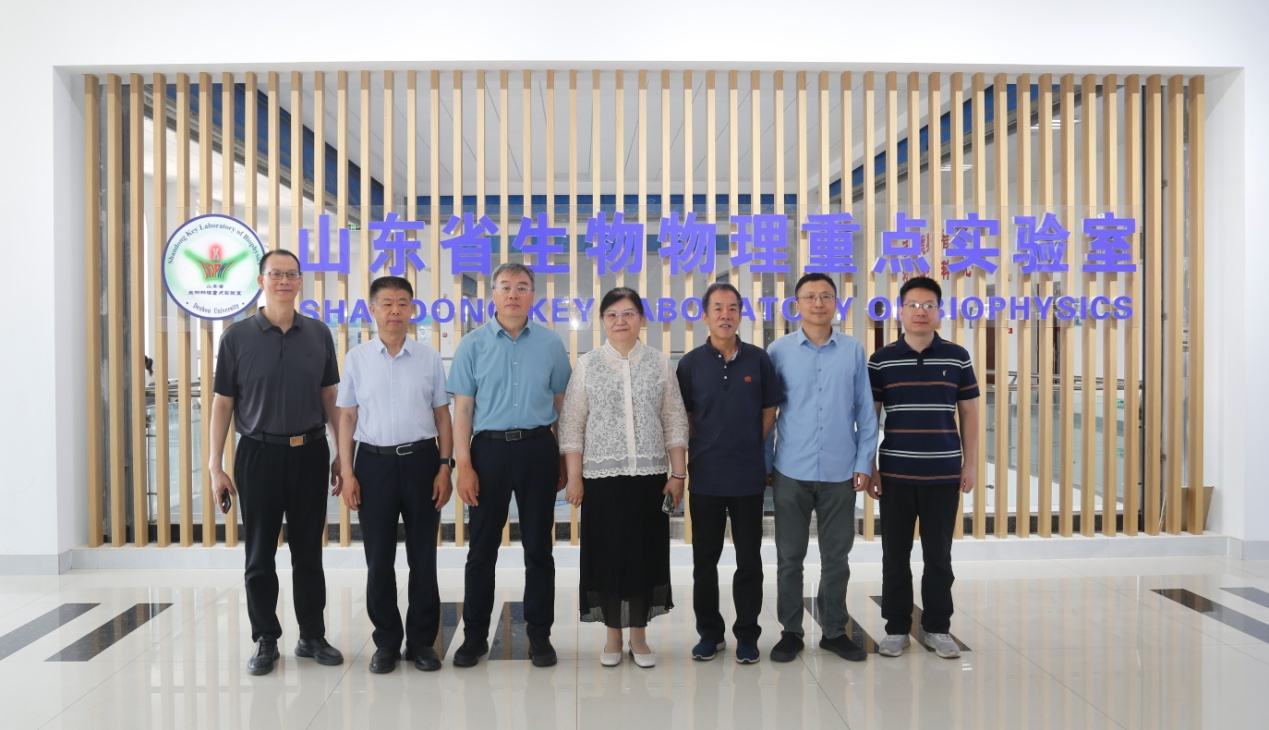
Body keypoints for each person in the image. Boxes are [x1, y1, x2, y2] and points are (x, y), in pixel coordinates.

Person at [208, 249, 344, 676]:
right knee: (259, 553)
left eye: (291, 274)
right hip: (258, 454)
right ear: (261, 281)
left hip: (310, 452)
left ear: (300, 281)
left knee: (309, 551)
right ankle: (265, 638)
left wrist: (342, 455)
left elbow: (330, 398)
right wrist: (214, 466)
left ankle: (312, 635)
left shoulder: (318, 333)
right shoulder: (236, 337)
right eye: (276, 274)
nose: (284, 281)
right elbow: (223, 403)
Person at [447, 262, 572, 668]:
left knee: (539, 547)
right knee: (481, 549)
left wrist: (565, 457)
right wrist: (463, 466)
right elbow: (462, 411)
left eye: (521, 287)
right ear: (494, 295)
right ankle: (474, 637)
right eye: (505, 287)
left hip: (538, 449)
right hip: (489, 452)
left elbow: (562, 407)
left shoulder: (551, 344)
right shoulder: (472, 344)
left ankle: (539, 635)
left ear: (533, 295)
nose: (513, 294)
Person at [559, 287, 689, 668]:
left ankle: (639, 637)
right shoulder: (587, 365)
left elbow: (674, 421)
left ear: (641, 320)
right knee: (607, 555)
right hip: (601, 478)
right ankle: (613, 636)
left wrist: (678, 473)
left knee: (644, 555)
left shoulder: (659, 364)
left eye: (629, 313)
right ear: (602, 321)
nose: (620, 321)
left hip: (649, 478)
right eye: (612, 315)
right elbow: (572, 425)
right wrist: (574, 477)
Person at [336, 275, 453, 674]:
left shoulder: (429, 358)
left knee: (423, 558)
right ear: (372, 310)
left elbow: (442, 416)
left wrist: (444, 467)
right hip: (373, 465)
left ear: (412, 309)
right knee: (379, 560)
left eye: (403, 303)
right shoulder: (357, 358)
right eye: (386, 304)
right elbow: (347, 417)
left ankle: (421, 642)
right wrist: (348, 471)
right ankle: (386, 642)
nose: (395, 311)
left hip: (422, 463)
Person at [766, 272, 879, 663]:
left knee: (836, 559)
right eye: (810, 296)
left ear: (836, 303)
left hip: (839, 472)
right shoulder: (778, 351)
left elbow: (866, 412)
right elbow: (767, 413)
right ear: (796, 304)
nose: (818, 303)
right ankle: (791, 632)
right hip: (790, 470)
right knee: (789, 558)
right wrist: (766, 463)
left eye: (826, 296)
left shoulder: (852, 350)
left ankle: (833, 631)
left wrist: (864, 462)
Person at [867, 275, 980, 659]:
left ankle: (937, 627)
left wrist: (970, 465)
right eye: (913, 305)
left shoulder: (956, 356)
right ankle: (896, 628)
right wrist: (871, 466)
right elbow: (870, 418)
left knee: (939, 557)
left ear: (939, 311)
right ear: (900, 311)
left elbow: (969, 413)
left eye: (929, 305)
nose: (921, 311)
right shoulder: (881, 360)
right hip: (895, 475)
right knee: (894, 556)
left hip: (943, 475)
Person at [676, 282, 782, 664]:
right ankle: (710, 634)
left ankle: (747, 635)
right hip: (705, 477)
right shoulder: (689, 364)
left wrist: (750, 444)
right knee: (704, 562)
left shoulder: (758, 360)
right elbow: (685, 417)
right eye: (718, 308)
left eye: (732, 308)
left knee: (749, 560)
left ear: (740, 314)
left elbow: (769, 411)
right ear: (705, 316)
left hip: (748, 478)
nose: (725, 315)